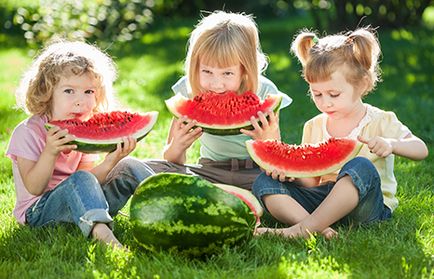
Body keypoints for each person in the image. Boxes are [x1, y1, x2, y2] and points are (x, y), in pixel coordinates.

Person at [252, 27, 429, 239]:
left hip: (365, 207)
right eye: (316, 94)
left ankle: (302, 228)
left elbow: (421, 149)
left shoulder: (382, 120)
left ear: (362, 85)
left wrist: (392, 144)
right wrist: (291, 174)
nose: (325, 102)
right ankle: (320, 228)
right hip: (321, 201)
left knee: (361, 167)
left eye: (333, 94)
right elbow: (311, 181)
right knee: (263, 183)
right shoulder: (313, 126)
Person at [6, 40, 154, 248]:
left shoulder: (83, 133)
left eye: (89, 92)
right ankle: (103, 235)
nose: (80, 101)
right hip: (40, 213)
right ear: (46, 92)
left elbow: (90, 181)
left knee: (130, 166)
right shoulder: (28, 132)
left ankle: (171, 209)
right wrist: (50, 152)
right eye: (69, 91)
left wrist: (112, 161)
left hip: (83, 205)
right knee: (79, 179)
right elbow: (34, 188)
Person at [147, 10, 292, 190]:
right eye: (207, 71)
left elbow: (272, 166)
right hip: (208, 172)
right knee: (152, 171)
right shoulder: (188, 89)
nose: (216, 84)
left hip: (255, 174)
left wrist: (266, 143)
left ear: (245, 69)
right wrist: (177, 146)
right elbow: (172, 160)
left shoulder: (265, 92)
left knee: (277, 183)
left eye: (227, 73)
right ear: (195, 66)